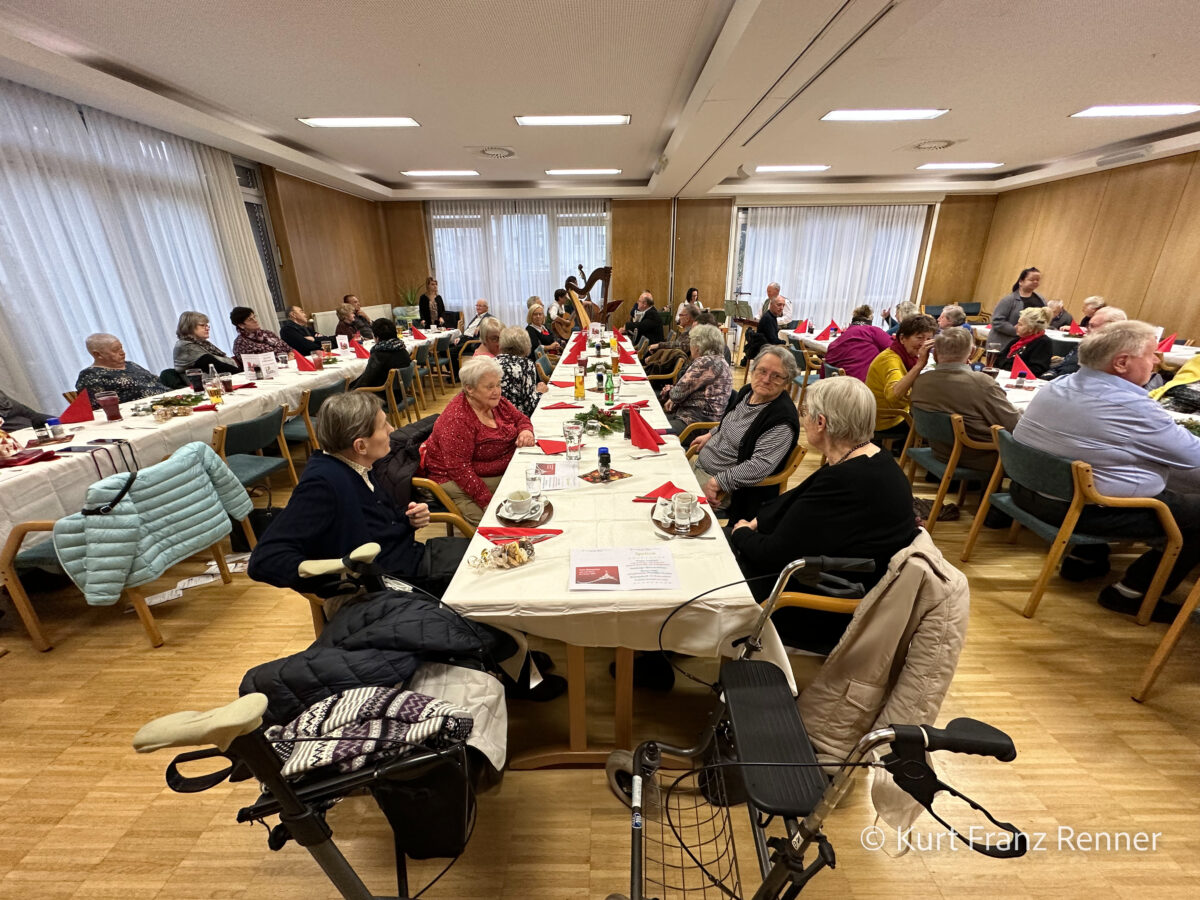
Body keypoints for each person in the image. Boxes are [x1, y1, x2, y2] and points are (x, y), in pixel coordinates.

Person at [1013, 321, 1200, 621]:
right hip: (1079, 510)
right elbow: (1194, 456)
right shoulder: (1132, 407)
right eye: (1152, 354)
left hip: (1031, 493)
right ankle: (1131, 593)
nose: (1157, 361)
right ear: (1122, 362)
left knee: (1109, 468)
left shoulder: (1060, 385)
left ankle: (1084, 558)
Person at [729, 376, 918, 652]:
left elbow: (774, 553)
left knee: (708, 569)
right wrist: (756, 523)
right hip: (825, 576)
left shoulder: (849, 481)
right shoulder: (868, 458)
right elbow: (798, 499)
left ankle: (662, 651)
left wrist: (742, 532)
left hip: (819, 606)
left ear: (821, 422)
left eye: (804, 413)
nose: (802, 419)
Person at [247, 392, 433, 593]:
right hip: (396, 582)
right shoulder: (322, 484)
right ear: (360, 445)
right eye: (384, 425)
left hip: (411, 559)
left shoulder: (358, 465)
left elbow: (375, 525)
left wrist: (408, 520)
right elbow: (265, 559)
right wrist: (340, 568)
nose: (391, 429)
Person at [420, 356, 534, 525]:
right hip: (457, 481)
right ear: (470, 389)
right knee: (497, 526)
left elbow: (521, 419)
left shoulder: (497, 402)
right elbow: (459, 469)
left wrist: (526, 431)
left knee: (534, 489)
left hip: (498, 471)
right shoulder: (458, 419)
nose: (497, 391)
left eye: (498, 384)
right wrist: (487, 502)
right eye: (490, 387)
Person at [691, 346, 800, 522]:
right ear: (752, 369)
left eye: (776, 376)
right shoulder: (748, 392)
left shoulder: (781, 419)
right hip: (699, 466)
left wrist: (717, 482)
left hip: (725, 490)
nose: (765, 379)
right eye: (762, 371)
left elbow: (759, 465)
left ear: (787, 381)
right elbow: (731, 422)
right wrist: (710, 434)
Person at [909, 327, 1021, 471]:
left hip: (940, 450)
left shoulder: (920, 381)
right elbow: (1014, 425)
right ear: (973, 352)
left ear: (935, 353)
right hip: (980, 455)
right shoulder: (981, 382)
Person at [865, 313, 938, 443]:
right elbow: (894, 395)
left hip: (891, 413)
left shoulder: (904, 355)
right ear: (902, 338)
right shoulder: (890, 359)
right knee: (939, 430)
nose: (924, 344)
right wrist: (920, 365)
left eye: (929, 339)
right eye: (919, 337)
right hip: (885, 420)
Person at [662, 324, 733, 435]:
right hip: (703, 421)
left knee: (651, 428)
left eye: (691, 342)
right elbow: (687, 390)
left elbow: (676, 394)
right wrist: (673, 392)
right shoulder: (720, 361)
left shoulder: (706, 363)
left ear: (698, 346)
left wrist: (670, 392)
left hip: (695, 424)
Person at [75, 334, 168, 405]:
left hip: (168, 401)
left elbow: (157, 381)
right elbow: (98, 406)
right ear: (98, 355)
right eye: (115, 350)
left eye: (121, 348)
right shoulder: (90, 375)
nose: (122, 352)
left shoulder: (131, 364)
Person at [1045, 307, 1127, 379]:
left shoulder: (1118, 358)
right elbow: (1065, 365)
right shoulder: (1086, 344)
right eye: (1088, 325)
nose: (1087, 329)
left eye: (1092, 326)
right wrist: (1049, 374)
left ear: (1113, 329)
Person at [824, 304, 892, 381]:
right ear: (871, 319)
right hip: (858, 386)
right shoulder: (873, 331)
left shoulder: (844, 335)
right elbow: (894, 348)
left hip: (832, 385)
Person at [987, 267, 1045, 351]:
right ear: (1021, 282)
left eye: (1038, 280)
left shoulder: (1041, 299)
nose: (1035, 282)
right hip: (1005, 343)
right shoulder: (1009, 299)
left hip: (1028, 344)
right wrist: (1018, 331)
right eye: (1032, 280)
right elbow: (997, 321)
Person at [349, 318, 412, 391]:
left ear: (377, 338)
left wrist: (351, 391)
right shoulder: (402, 348)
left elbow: (366, 381)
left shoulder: (379, 354)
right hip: (401, 392)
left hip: (383, 395)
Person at [497, 327, 546, 416]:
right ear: (526, 344)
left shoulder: (492, 362)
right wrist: (540, 392)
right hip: (517, 420)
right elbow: (530, 406)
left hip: (494, 418)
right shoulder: (526, 365)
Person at [173, 311, 239, 373]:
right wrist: (240, 372)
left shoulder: (202, 343)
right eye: (202, 325)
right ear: (190, 327)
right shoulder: (185, 346)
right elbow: (212, 363)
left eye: (207, 325)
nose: (207, 328)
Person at [996, 307, 1053, 378]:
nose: (1015, 326)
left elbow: (1036, 370)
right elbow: (998, 359)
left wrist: (1007, 368)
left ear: (1031, 328)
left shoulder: (1043, 343)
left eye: (1020, 324)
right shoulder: (1017, 340)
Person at [644, 302, 697, 376]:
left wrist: (659, 346)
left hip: (669, 372)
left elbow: (679, 348)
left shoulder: (693, 335)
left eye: (680, 315)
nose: (679, 318)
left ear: (687, 318)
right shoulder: (686, 332)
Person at [744, 290, 786, 362]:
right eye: (779, 305)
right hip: (763, 351)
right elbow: (773, 341)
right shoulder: (768, 318)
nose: (782, 308)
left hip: (764, 347)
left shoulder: (771, 316)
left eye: (783, 305)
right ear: (771, 304)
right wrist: (785, 342)